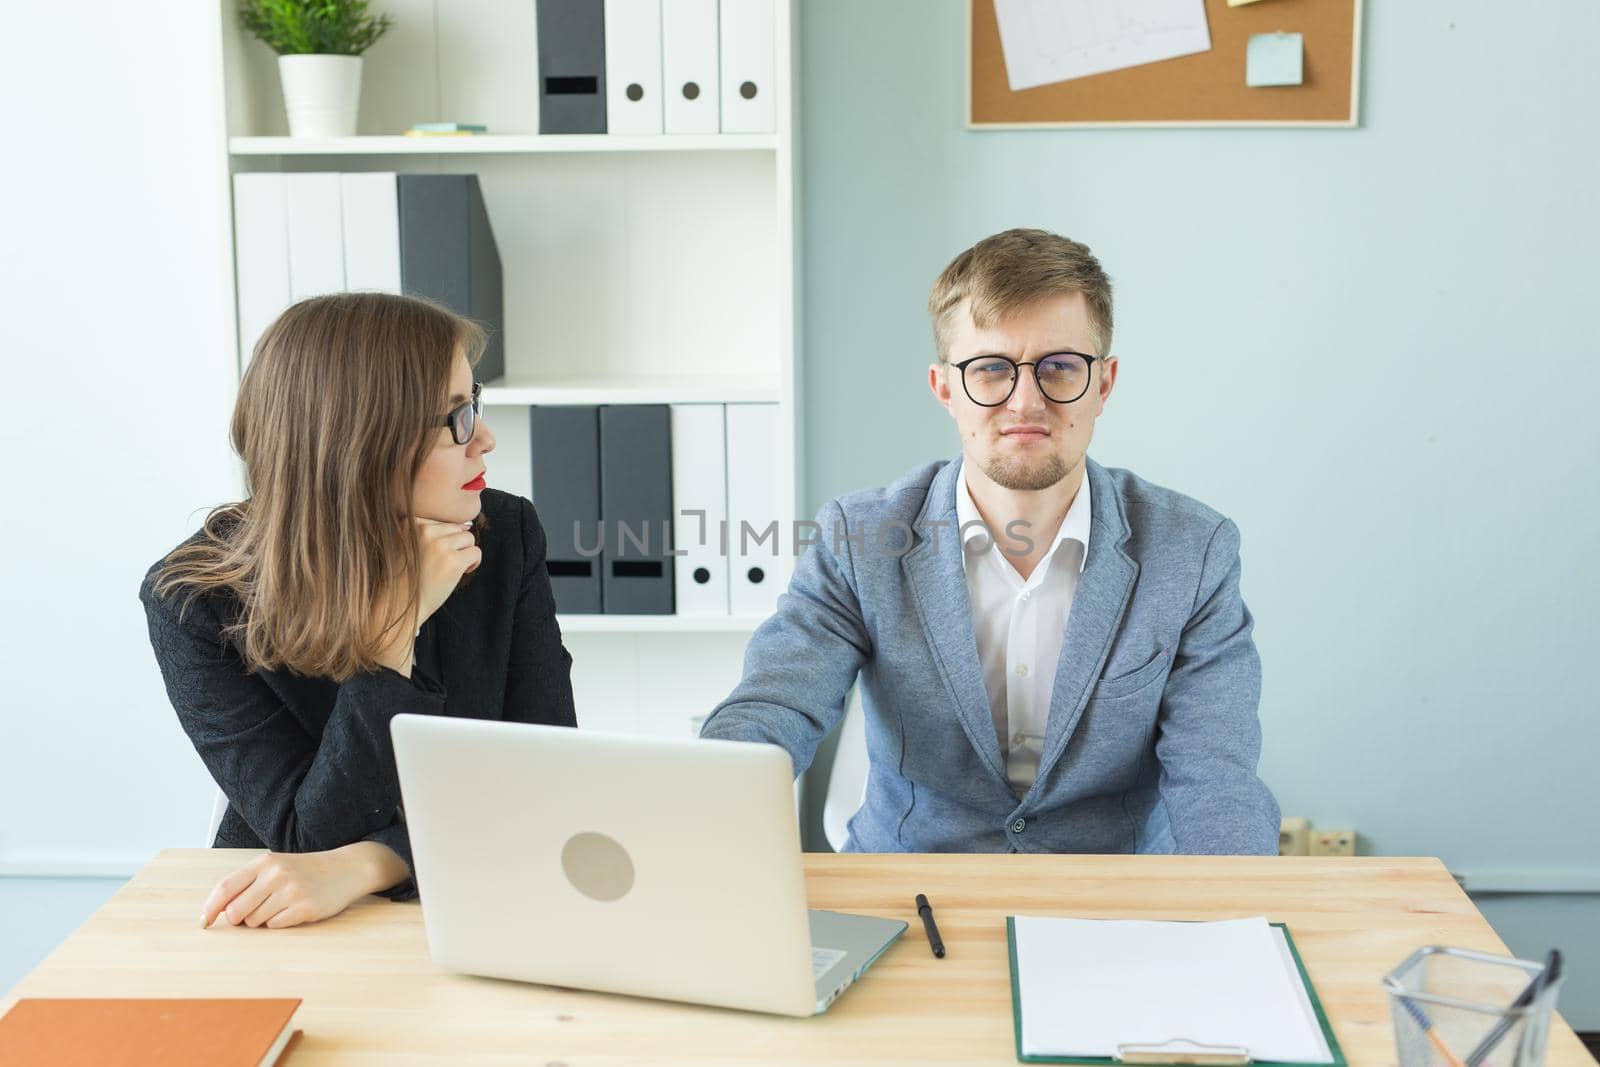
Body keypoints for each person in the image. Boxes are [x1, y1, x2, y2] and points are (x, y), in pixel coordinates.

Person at [702, 228, 1278, 855]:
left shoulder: (1192, 550)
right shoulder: (858, 540)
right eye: (991, 370)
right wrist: (695, 821)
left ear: (1104, 384)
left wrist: (1236, 923)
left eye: (1060, 367)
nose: (1025, 401)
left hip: (1111, 898)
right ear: (944, 387)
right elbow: (774, 709)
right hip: (911, 888)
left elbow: (1215, 777)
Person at [141, 292, 576, 929]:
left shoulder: (505, 535)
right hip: (284, 926)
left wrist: (372, 864)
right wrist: (395, 638)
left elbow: (548, 783)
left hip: (479, 899)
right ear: (365, 446)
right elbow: (307, 838)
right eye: (456, 417)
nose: (483, 438)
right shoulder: (197, 603)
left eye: (474, 402)